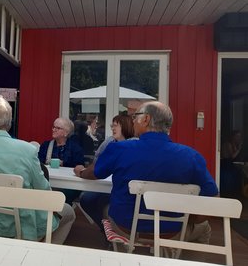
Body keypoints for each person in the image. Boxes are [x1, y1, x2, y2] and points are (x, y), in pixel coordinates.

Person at [88, 101, 219, 243]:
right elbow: (212, 197)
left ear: (146, 119)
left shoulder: (120, 149)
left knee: (105, 207)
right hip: (172, 233)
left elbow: (95, 173)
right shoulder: (191, 156)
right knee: (204, 228)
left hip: (126, 229)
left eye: (134, 117)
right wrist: (189, 218)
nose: (132, 122)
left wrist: (81, 171)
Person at [0, 95, 75, 244]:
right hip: (22, 228)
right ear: (8, 122)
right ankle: (42, 254)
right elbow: (44, 192)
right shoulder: (27, 150)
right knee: (68, 212)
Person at [73, 114, 135, 231]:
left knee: (99, 201)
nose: (112, 128)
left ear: (126, 126)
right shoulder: (109, 142)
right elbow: (96, 164)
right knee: (86, 199)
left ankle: (114, 231)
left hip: (123, 190)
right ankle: (106, 230)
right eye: (112, 125)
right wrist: (85, 170)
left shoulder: (135, 145)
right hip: (104, 183)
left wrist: (82, 172)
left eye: (115, 125)